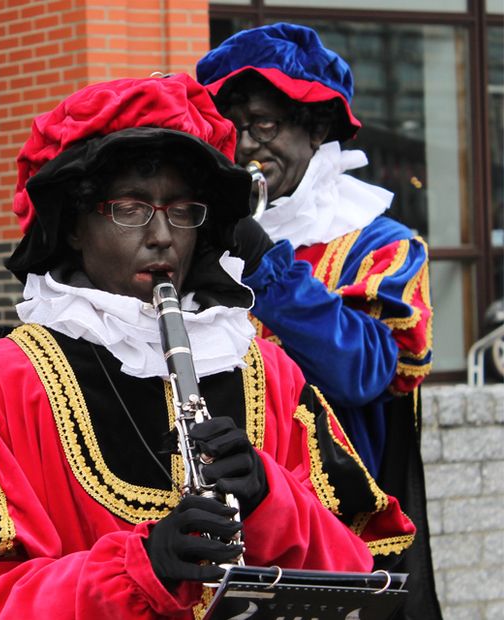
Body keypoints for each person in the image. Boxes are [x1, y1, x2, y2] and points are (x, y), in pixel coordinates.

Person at [0, 74, 414, 619]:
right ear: (73, 227)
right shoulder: (11, 381)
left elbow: (360, 573)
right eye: (131, 209)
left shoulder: (265, 371)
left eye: (181, 211)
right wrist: (135, 572)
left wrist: (271, 502)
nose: (162, 236)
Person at [197, 23, 438, 618]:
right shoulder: (203, 236)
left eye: (267, 124)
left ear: (318, 129)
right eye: (234, 129)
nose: (248, 145)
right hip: (220, 519)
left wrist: (266, 267)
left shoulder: (380, 242)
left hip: (333, 530)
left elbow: (363, 370)